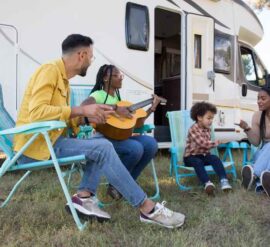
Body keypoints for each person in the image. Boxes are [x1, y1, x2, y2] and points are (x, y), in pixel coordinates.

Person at [13, 34, 185, 228]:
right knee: (102, 146)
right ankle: (147, 208)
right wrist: (81, 110)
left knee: (100, 144)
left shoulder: (63, 80)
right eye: (91, 57)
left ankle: (84, 197)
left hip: (51, 142)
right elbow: (37, 113)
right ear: (81, 55)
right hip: (35, 148)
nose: (91, 61)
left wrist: (86, 117)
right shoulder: (49, 71)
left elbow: (59, 117)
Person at [80, 64, 160, 199]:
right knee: (135, 148)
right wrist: (115, 108)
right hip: (102, 138)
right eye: (117, 76)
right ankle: (120, 185)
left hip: (119, 138)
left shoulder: (120, 100)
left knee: (151, 144)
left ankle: (121, 186)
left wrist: (151, 109)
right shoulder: (98, 95)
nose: (121, 78)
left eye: (121, 76)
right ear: (106, 78)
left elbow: (137, 123)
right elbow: (84, 106)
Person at [183, 102, 232, 195]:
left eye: (212, 118)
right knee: (198, 162)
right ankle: (207, 183)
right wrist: (218, 142)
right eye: (208, 118)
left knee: (215, 158)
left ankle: (224, 181)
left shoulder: (208, 129)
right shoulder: (193, 129)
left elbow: (206, 147)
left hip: (203, 155)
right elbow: (203, 144)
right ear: (199, 117)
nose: (211, 121)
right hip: (190, 157)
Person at [239, 85, 270, 197]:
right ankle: (264, 179)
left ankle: (255, 174)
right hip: (263, 155)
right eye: (258, 98)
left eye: (263, 98)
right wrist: (247, 128)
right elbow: (256, 142)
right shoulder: (257, 116)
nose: (259, 101)